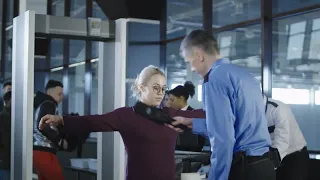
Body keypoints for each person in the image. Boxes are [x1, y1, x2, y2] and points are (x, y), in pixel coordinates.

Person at [38, 65, 205, 180]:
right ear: (141, 87)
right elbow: (94, 121)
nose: (160, 93)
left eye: (163, 88)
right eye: (155, 88)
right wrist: (61, 119)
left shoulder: (169, 115)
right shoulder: (128, 116)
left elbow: (200, 114)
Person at [170, 30, 276, 180]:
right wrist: (192, 123)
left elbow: (223, 139)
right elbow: (237, 126)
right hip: (264, 166)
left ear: (198, 55)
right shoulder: (245, 75)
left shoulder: (214, 79)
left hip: (244, 169)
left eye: (189, 62)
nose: (191, 68)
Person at [263, 94, 309, 180]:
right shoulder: (251, 112)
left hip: (294, 156)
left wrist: (267, 166)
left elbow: (282, 142)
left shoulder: (278, 108)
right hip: (272, 156)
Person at [33, 80, 65, 180]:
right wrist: (59, 140)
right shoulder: (49, 104)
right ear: (49, 93)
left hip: (37, 150)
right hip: (45, 150)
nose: (62, 97)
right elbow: (43, 125)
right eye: (59, 94)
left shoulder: (41, 103)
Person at [0, 91, 12, 180]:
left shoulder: (13, 116)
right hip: (5, 160)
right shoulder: (3, 116)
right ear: (7, 101)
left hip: (11, 159)